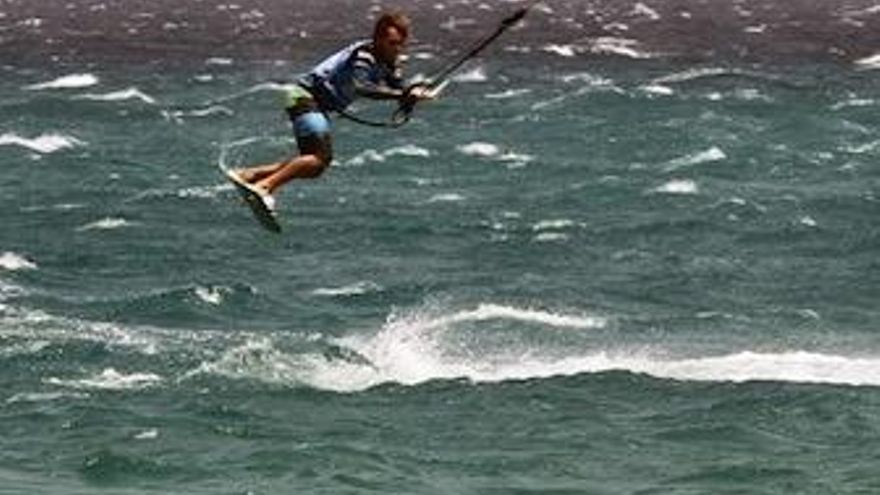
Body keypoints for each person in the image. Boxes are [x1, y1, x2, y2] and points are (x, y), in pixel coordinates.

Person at [231, 11, 435, 212]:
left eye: (401, 44)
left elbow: (399, 89)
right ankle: (265, 187)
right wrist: (403, 95)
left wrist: (411, 96)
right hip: (306, 97)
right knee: (319, 158)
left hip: (316, 105)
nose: (397, 48)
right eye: (392, 43)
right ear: (378, 39)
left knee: (315, 166)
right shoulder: (364, 55)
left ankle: (250, 175)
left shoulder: (390, 63)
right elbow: (361, 87)